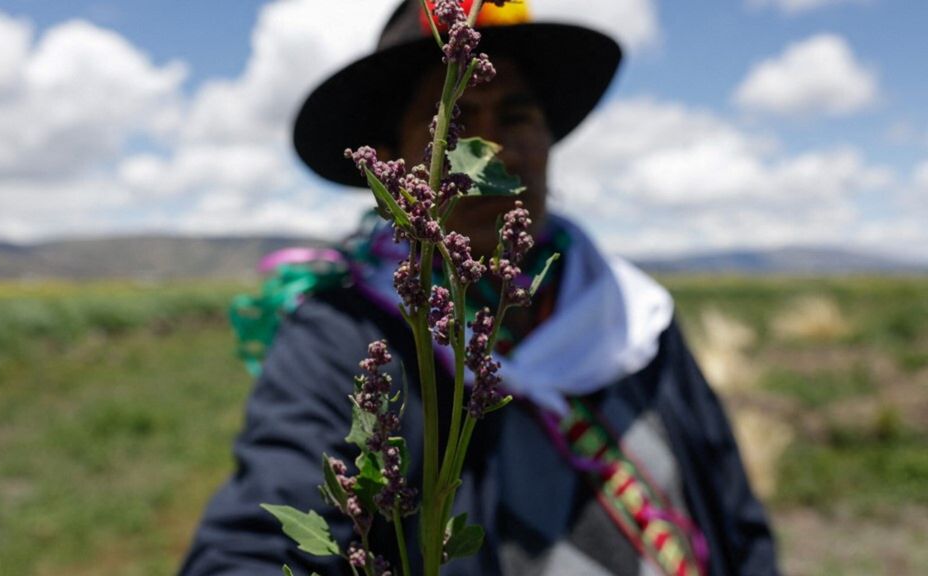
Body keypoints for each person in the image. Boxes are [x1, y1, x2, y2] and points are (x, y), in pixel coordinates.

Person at [180, 2, 780, 575]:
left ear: (549, 138)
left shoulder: (630, 312)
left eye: (517, 116)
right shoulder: (347, 333)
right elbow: (261, 534)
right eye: (456, 122)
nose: (494, 151)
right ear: (392, 163)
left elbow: (732, 509)